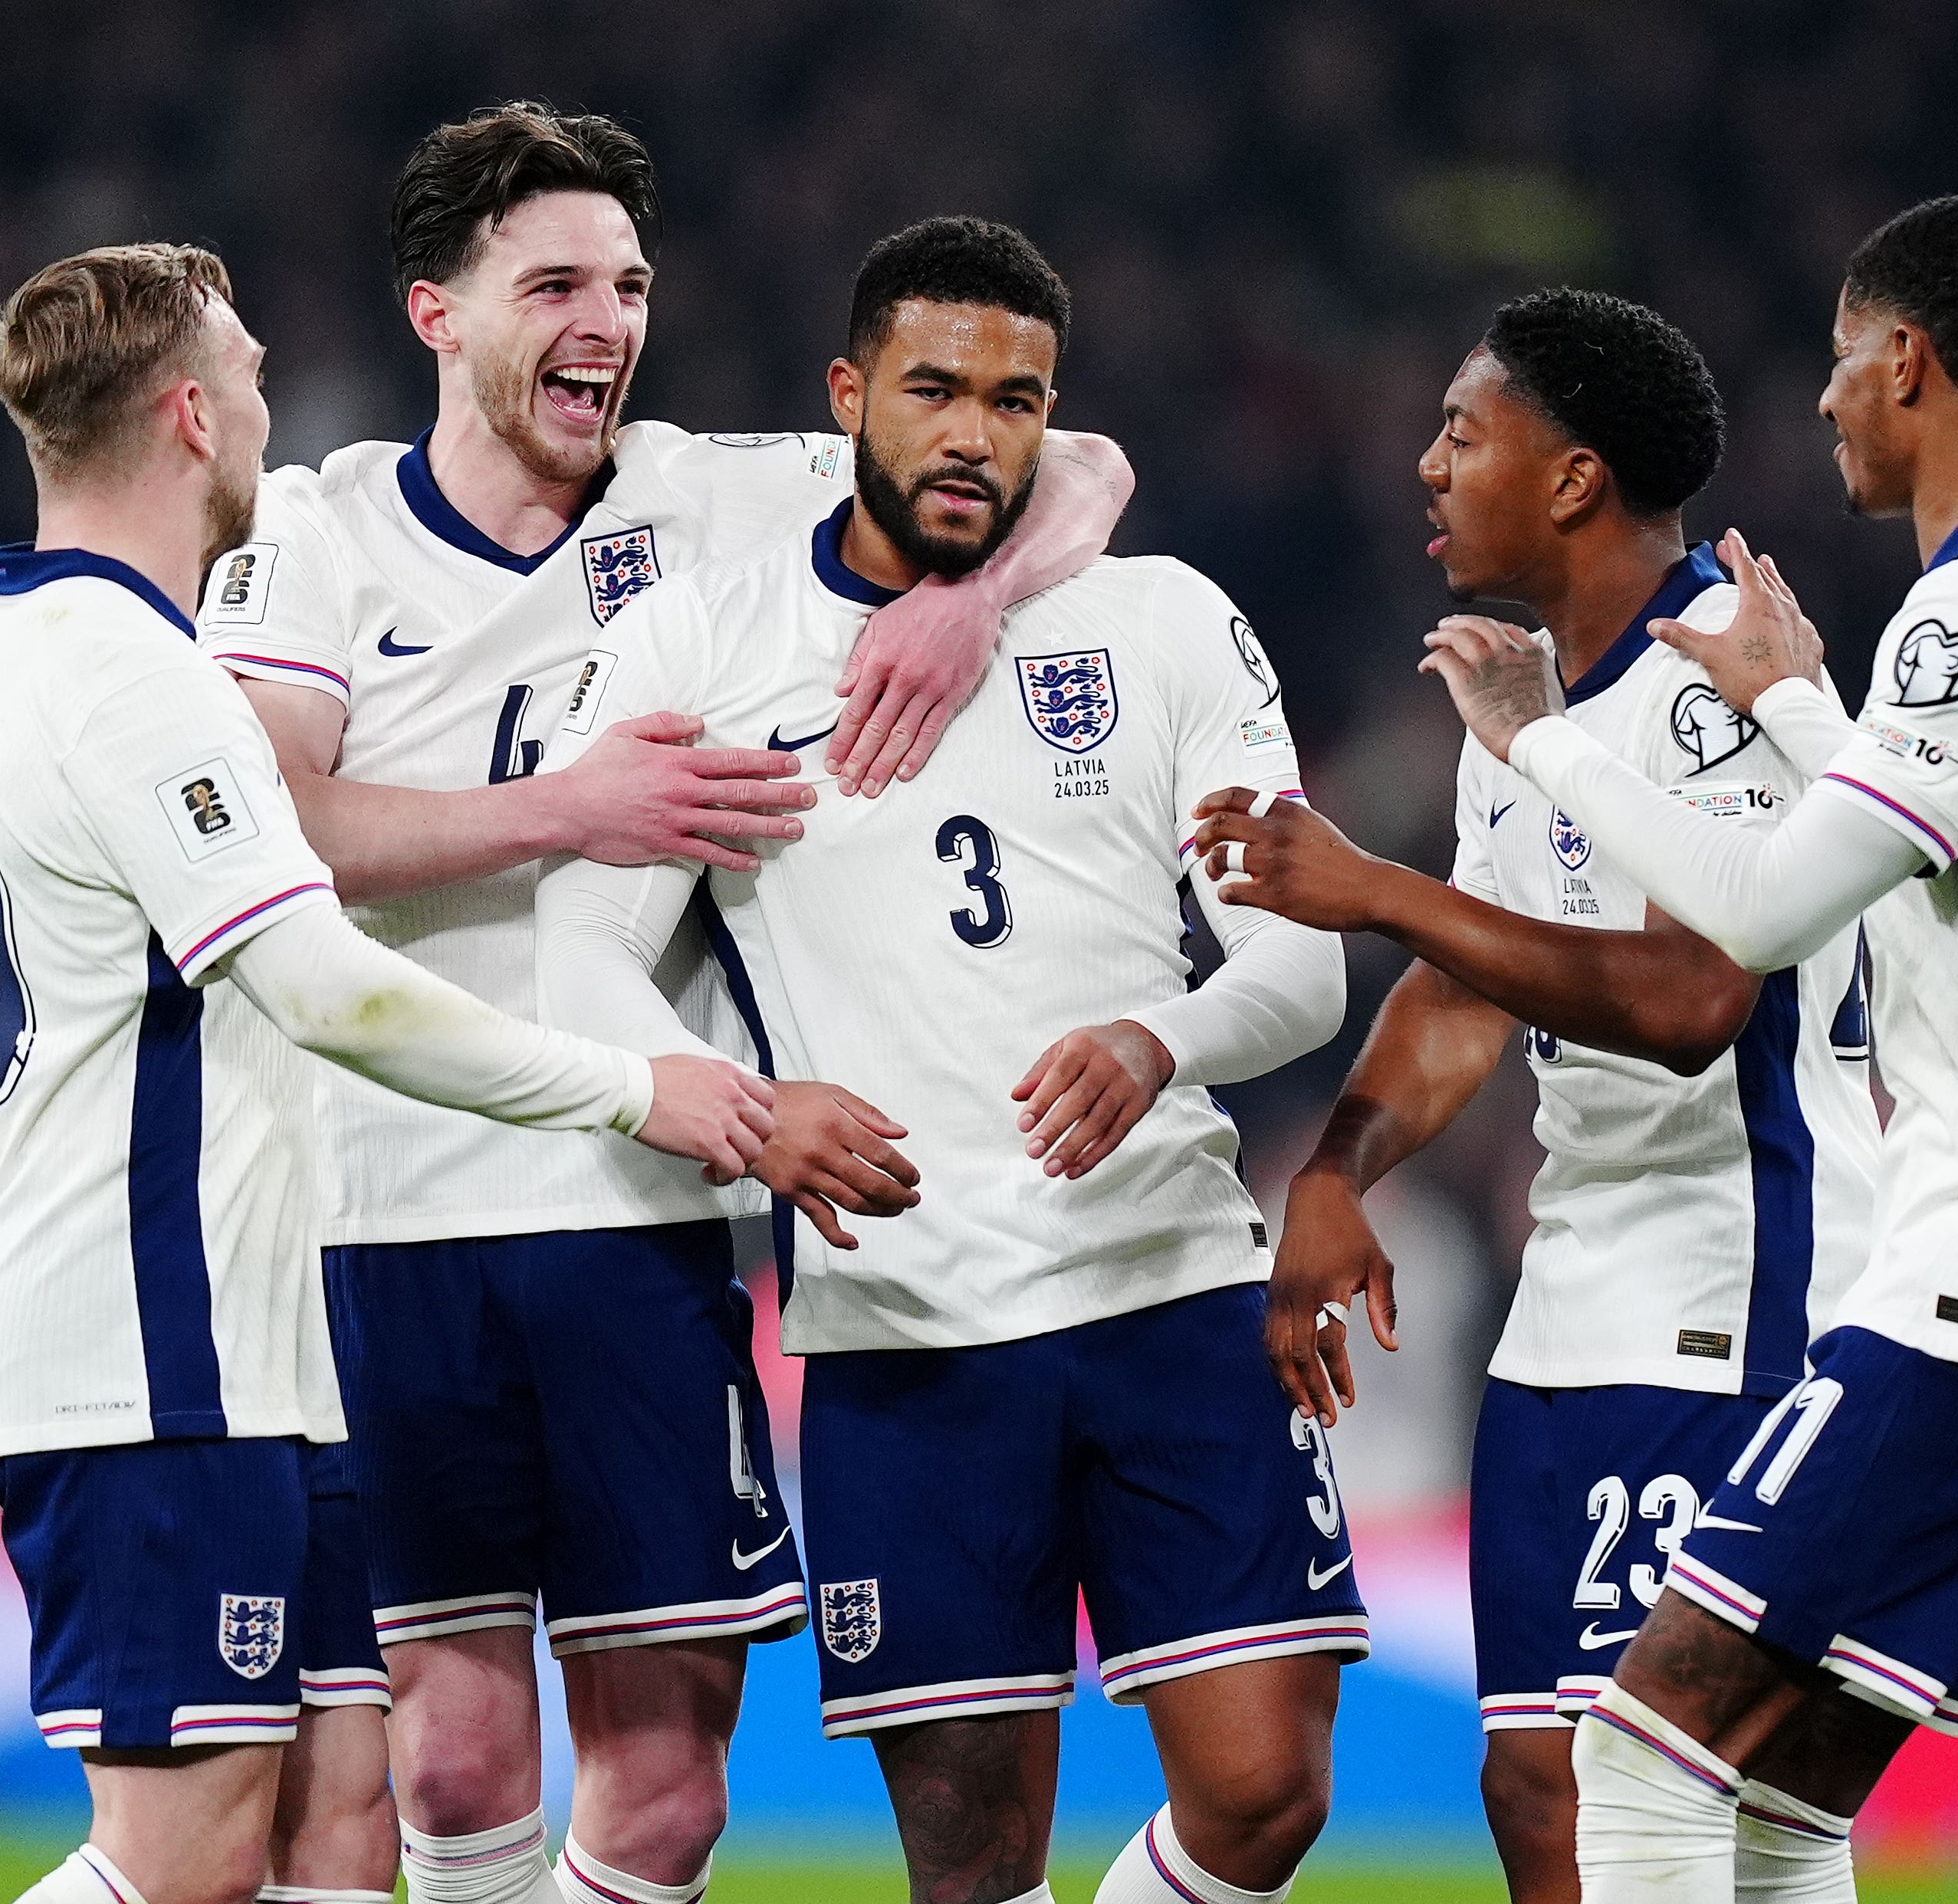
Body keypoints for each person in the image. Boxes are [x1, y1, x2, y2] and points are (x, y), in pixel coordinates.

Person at [194, 106, 1132, 1904]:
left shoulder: (712, 491)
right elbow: (280, 822)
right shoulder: (315, 531)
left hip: (639, 1196)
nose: (608, 324)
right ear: (437, 313)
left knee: (669, 1791)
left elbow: (1081, 462)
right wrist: (569, 809)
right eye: (554, 284)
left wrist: (977, 601)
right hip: (384, 1208)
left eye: (628, 285)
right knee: (453, 1762)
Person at [0, 243, 773, 1904]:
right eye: (246, 374)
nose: (269, 407)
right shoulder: (135, 678)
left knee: (338, 1824)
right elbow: (326, 989)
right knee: (180, 1859)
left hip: (252, 1353)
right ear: (189, 416)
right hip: (147, 1348)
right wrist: (628, 1087)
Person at [538, 215, 1359, 1904]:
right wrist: (747, 1116)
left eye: (1015, 399)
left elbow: (1301, 961)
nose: (975, 433)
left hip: (1169, 1285)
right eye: (933, 390)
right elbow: (582, 954)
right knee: (973, 1863)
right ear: (849, 395)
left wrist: (1161, 1037)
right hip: (906, 1325)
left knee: (1267, 1793)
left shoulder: (1161, 621)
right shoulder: (705, 644)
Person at [1429, 196, 1958, 1900]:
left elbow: (1764, 910)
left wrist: (1546, 745)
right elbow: (1930, 864)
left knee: (1637, 1752)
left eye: (1846, 359)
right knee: (1776, 1802)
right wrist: (1793, 705)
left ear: (1908, 361)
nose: (1828, 399)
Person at [1187, 289, 1879, 1902]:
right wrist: (1338, 1167)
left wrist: (1379, 890)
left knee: (1651, 1789)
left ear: (1571, 479)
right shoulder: (1533, 705)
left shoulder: (1719, 680)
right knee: (1544, 1786)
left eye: (1461, 433)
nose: (1427, 466)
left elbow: (1695, 1000)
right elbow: (1465, 987)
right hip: (1575, 1304)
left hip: (1734, 1298)